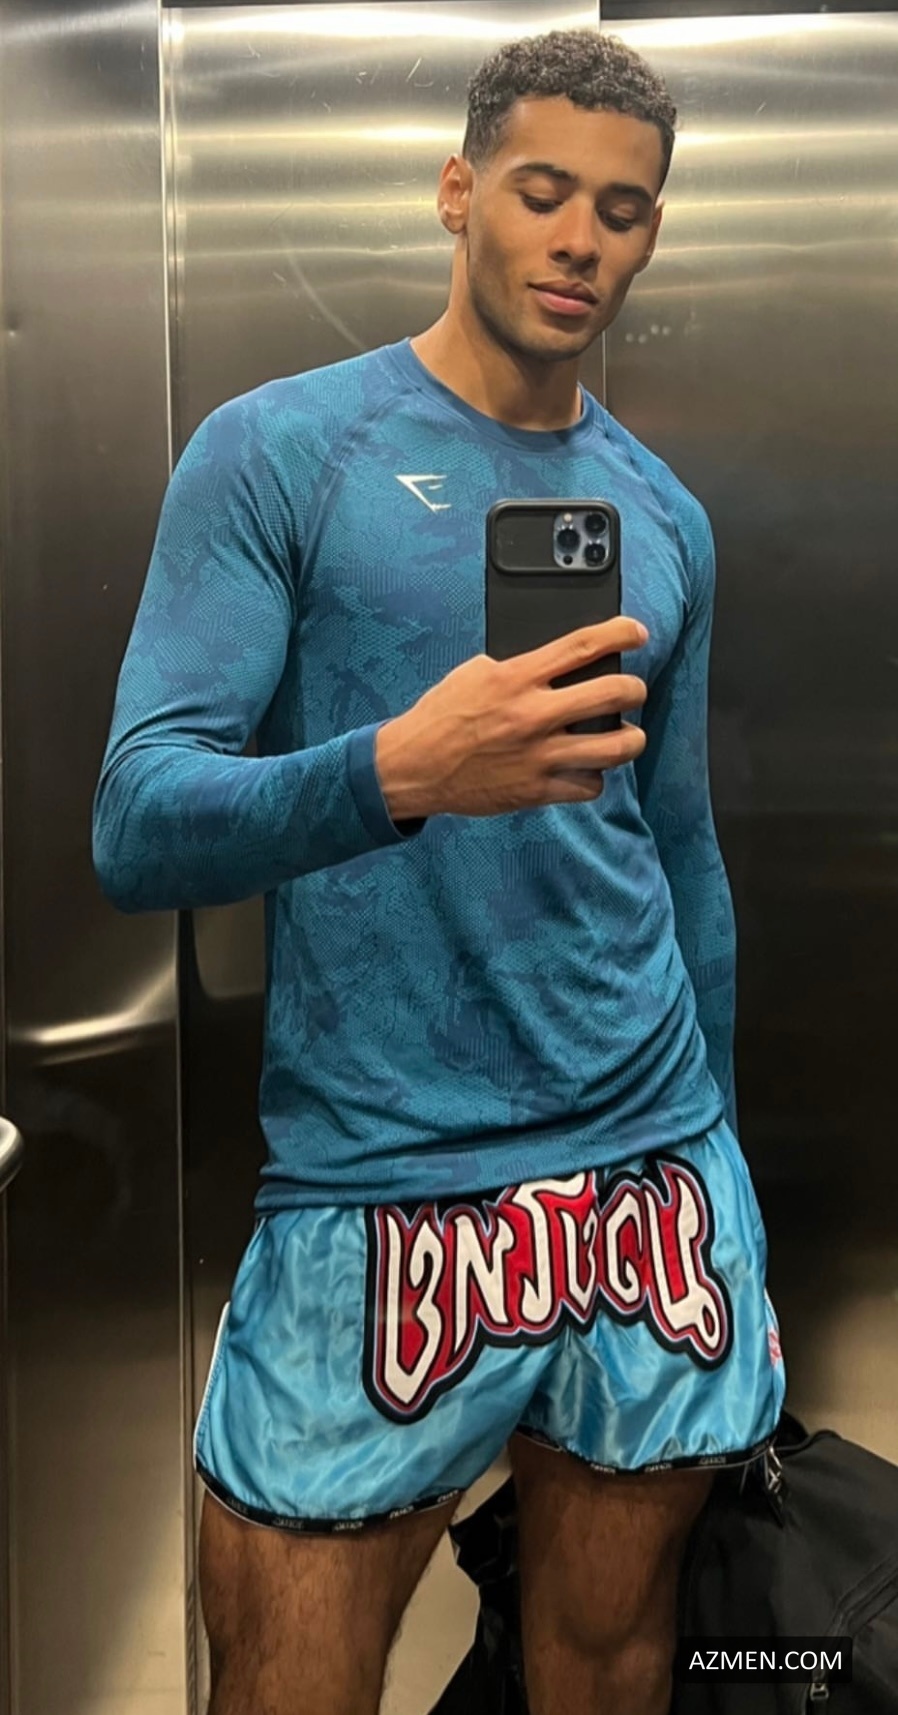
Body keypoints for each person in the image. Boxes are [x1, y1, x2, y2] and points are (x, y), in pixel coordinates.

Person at [93, 27, 786, 1715]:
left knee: (609, 1669)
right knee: (288, 1683)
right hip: (376, 1184)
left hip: (646, 1178)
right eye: (542, 192)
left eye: (622, 210)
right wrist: (401, 770)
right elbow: (138, 819)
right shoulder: (281, 450)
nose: (580, 241)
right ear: (459, 192)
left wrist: (723, 1183)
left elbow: (678, 850)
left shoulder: (659, 512)